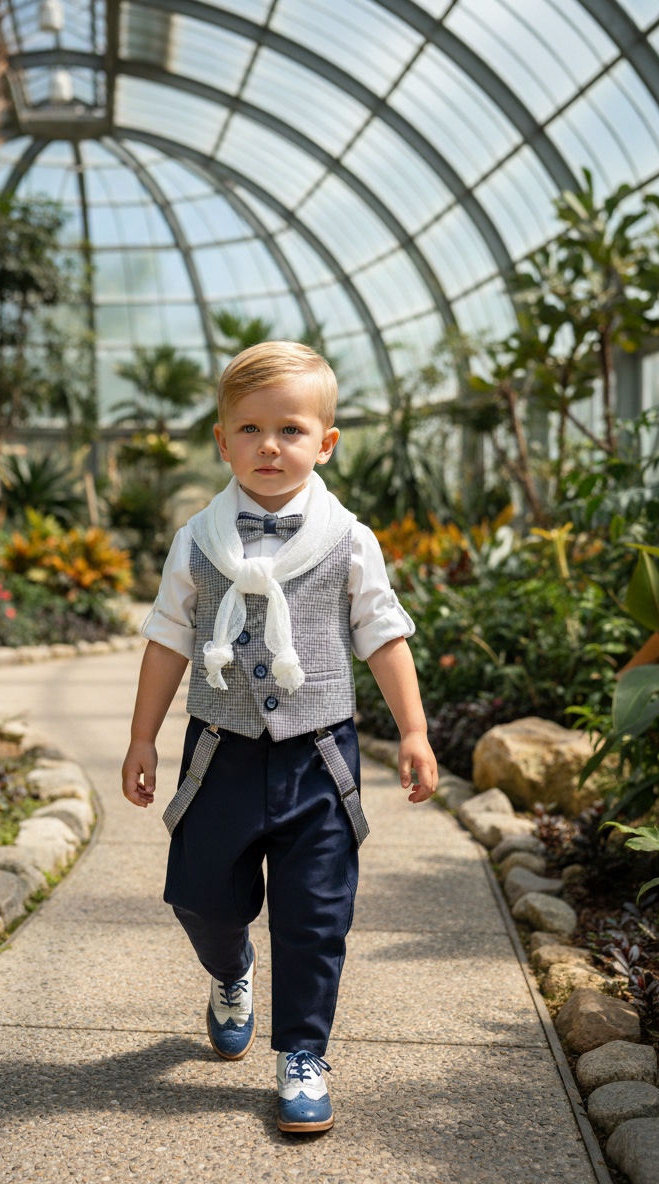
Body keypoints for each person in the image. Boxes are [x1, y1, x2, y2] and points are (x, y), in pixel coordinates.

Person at [121, 341, 438, 1133]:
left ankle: (303, 1052)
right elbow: (168, 639)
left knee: (316, 915)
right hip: (219, 752)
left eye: (291, 429)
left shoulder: (349, 539)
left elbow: (384, 635)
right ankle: (231, 969)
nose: (270, 445)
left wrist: (414, 730)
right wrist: (142, 738)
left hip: (317, 760)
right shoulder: (198, 540)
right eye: (251, 429)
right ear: (222, 442)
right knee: (198, 895)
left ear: (325, 443)